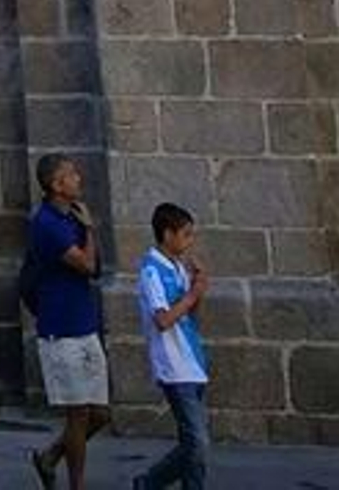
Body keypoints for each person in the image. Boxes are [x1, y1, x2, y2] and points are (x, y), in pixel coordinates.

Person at [28, 153, 111, 489]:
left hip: (84, 325)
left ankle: (50, 456)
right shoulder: (46, 223)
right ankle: (77, 484)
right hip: (61, 332)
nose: (78, 178)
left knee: (100, 414)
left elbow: (96, 264)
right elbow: (87, 266)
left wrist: (85, 228)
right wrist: (90, 228)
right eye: (71, 174)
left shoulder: (72, 218)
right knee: (77, 416)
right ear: (56, 185)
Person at [134, 202, 210, 490]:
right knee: (197, 444)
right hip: (173, 365)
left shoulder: (177, 267)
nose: (190, 241)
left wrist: (197, 289)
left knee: (193, 443)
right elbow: (163, 319)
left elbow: (189, 316)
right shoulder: (151, 271)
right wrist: (192, 295)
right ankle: (151, 481)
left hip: (192, 360)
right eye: (186, 234)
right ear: (168, 234)